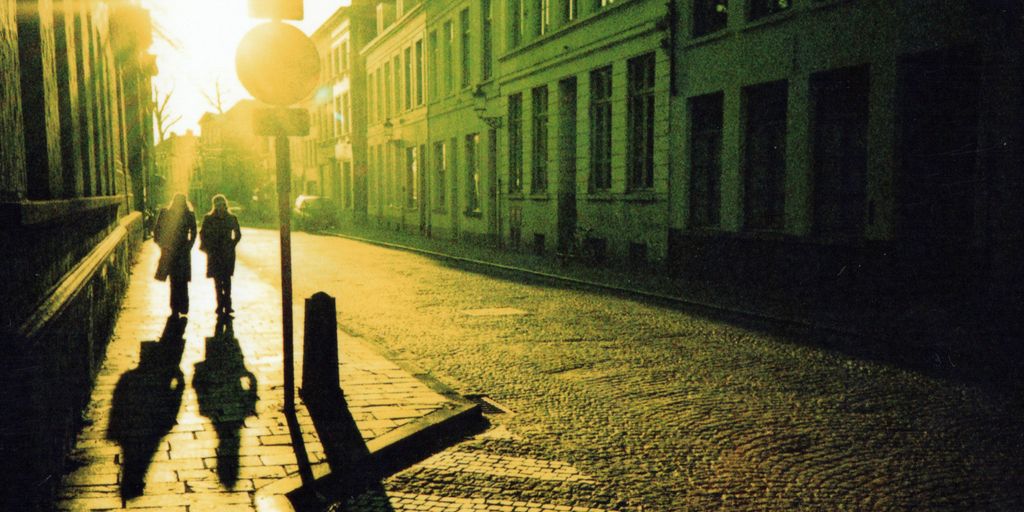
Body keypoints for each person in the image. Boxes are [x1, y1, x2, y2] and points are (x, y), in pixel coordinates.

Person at [153, 194, 197, 318]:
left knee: (174, 281)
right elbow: (193, 232)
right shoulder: (188, 214)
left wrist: (163, 245)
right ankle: (183, 306)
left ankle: (175, 308)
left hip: (171, 250)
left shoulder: (166, 213)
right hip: (181, 250)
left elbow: (157, 231)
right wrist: (189, 245)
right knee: (182, 280)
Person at [200, 194, 242, 316]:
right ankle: (220, 305)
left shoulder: (232, 218)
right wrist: (208, 247)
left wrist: (232, 244)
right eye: (217, 205)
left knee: (227, 280)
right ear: (214, 206)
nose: (220, 207)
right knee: (218, 281)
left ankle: (227, 305)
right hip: (214, 253)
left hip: (227, 253)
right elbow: (202, 233)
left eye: (222, 205)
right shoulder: (208, 218)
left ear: (225, 205)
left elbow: (238, 234)